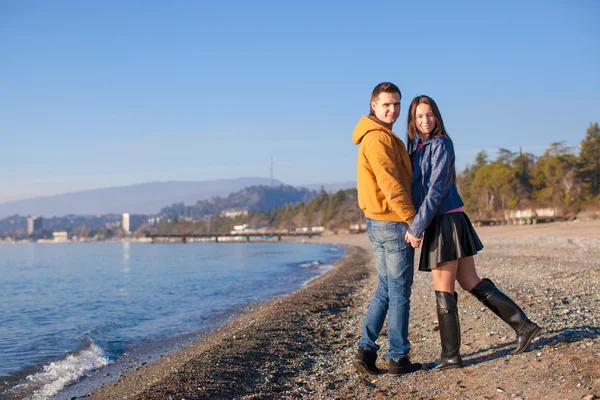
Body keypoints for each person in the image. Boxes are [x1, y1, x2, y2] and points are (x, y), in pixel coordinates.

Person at [404, 95, 541, 370]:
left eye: (429, 114)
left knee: (444, 290)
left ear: (437, 116)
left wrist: (416, 227)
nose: (425, 120)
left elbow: (435, 190)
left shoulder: (440, 144)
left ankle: (450, 356)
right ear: (413, 121)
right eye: (419, 116)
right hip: (445, 220)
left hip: (444, 222)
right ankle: (524, 326)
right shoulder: (417, 148)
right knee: (470, 281)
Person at [351, 82, 422, 376]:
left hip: (379, 222)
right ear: (373, 106)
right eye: (386, 105)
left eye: (396, 104)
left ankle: (366, 351)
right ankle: (397, 357)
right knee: (399, 292)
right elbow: (391, 186)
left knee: (386, 288)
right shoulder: (378, 140)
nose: (392, 110)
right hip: (392, 223)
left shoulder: (383, 136)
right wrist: (414, 222)